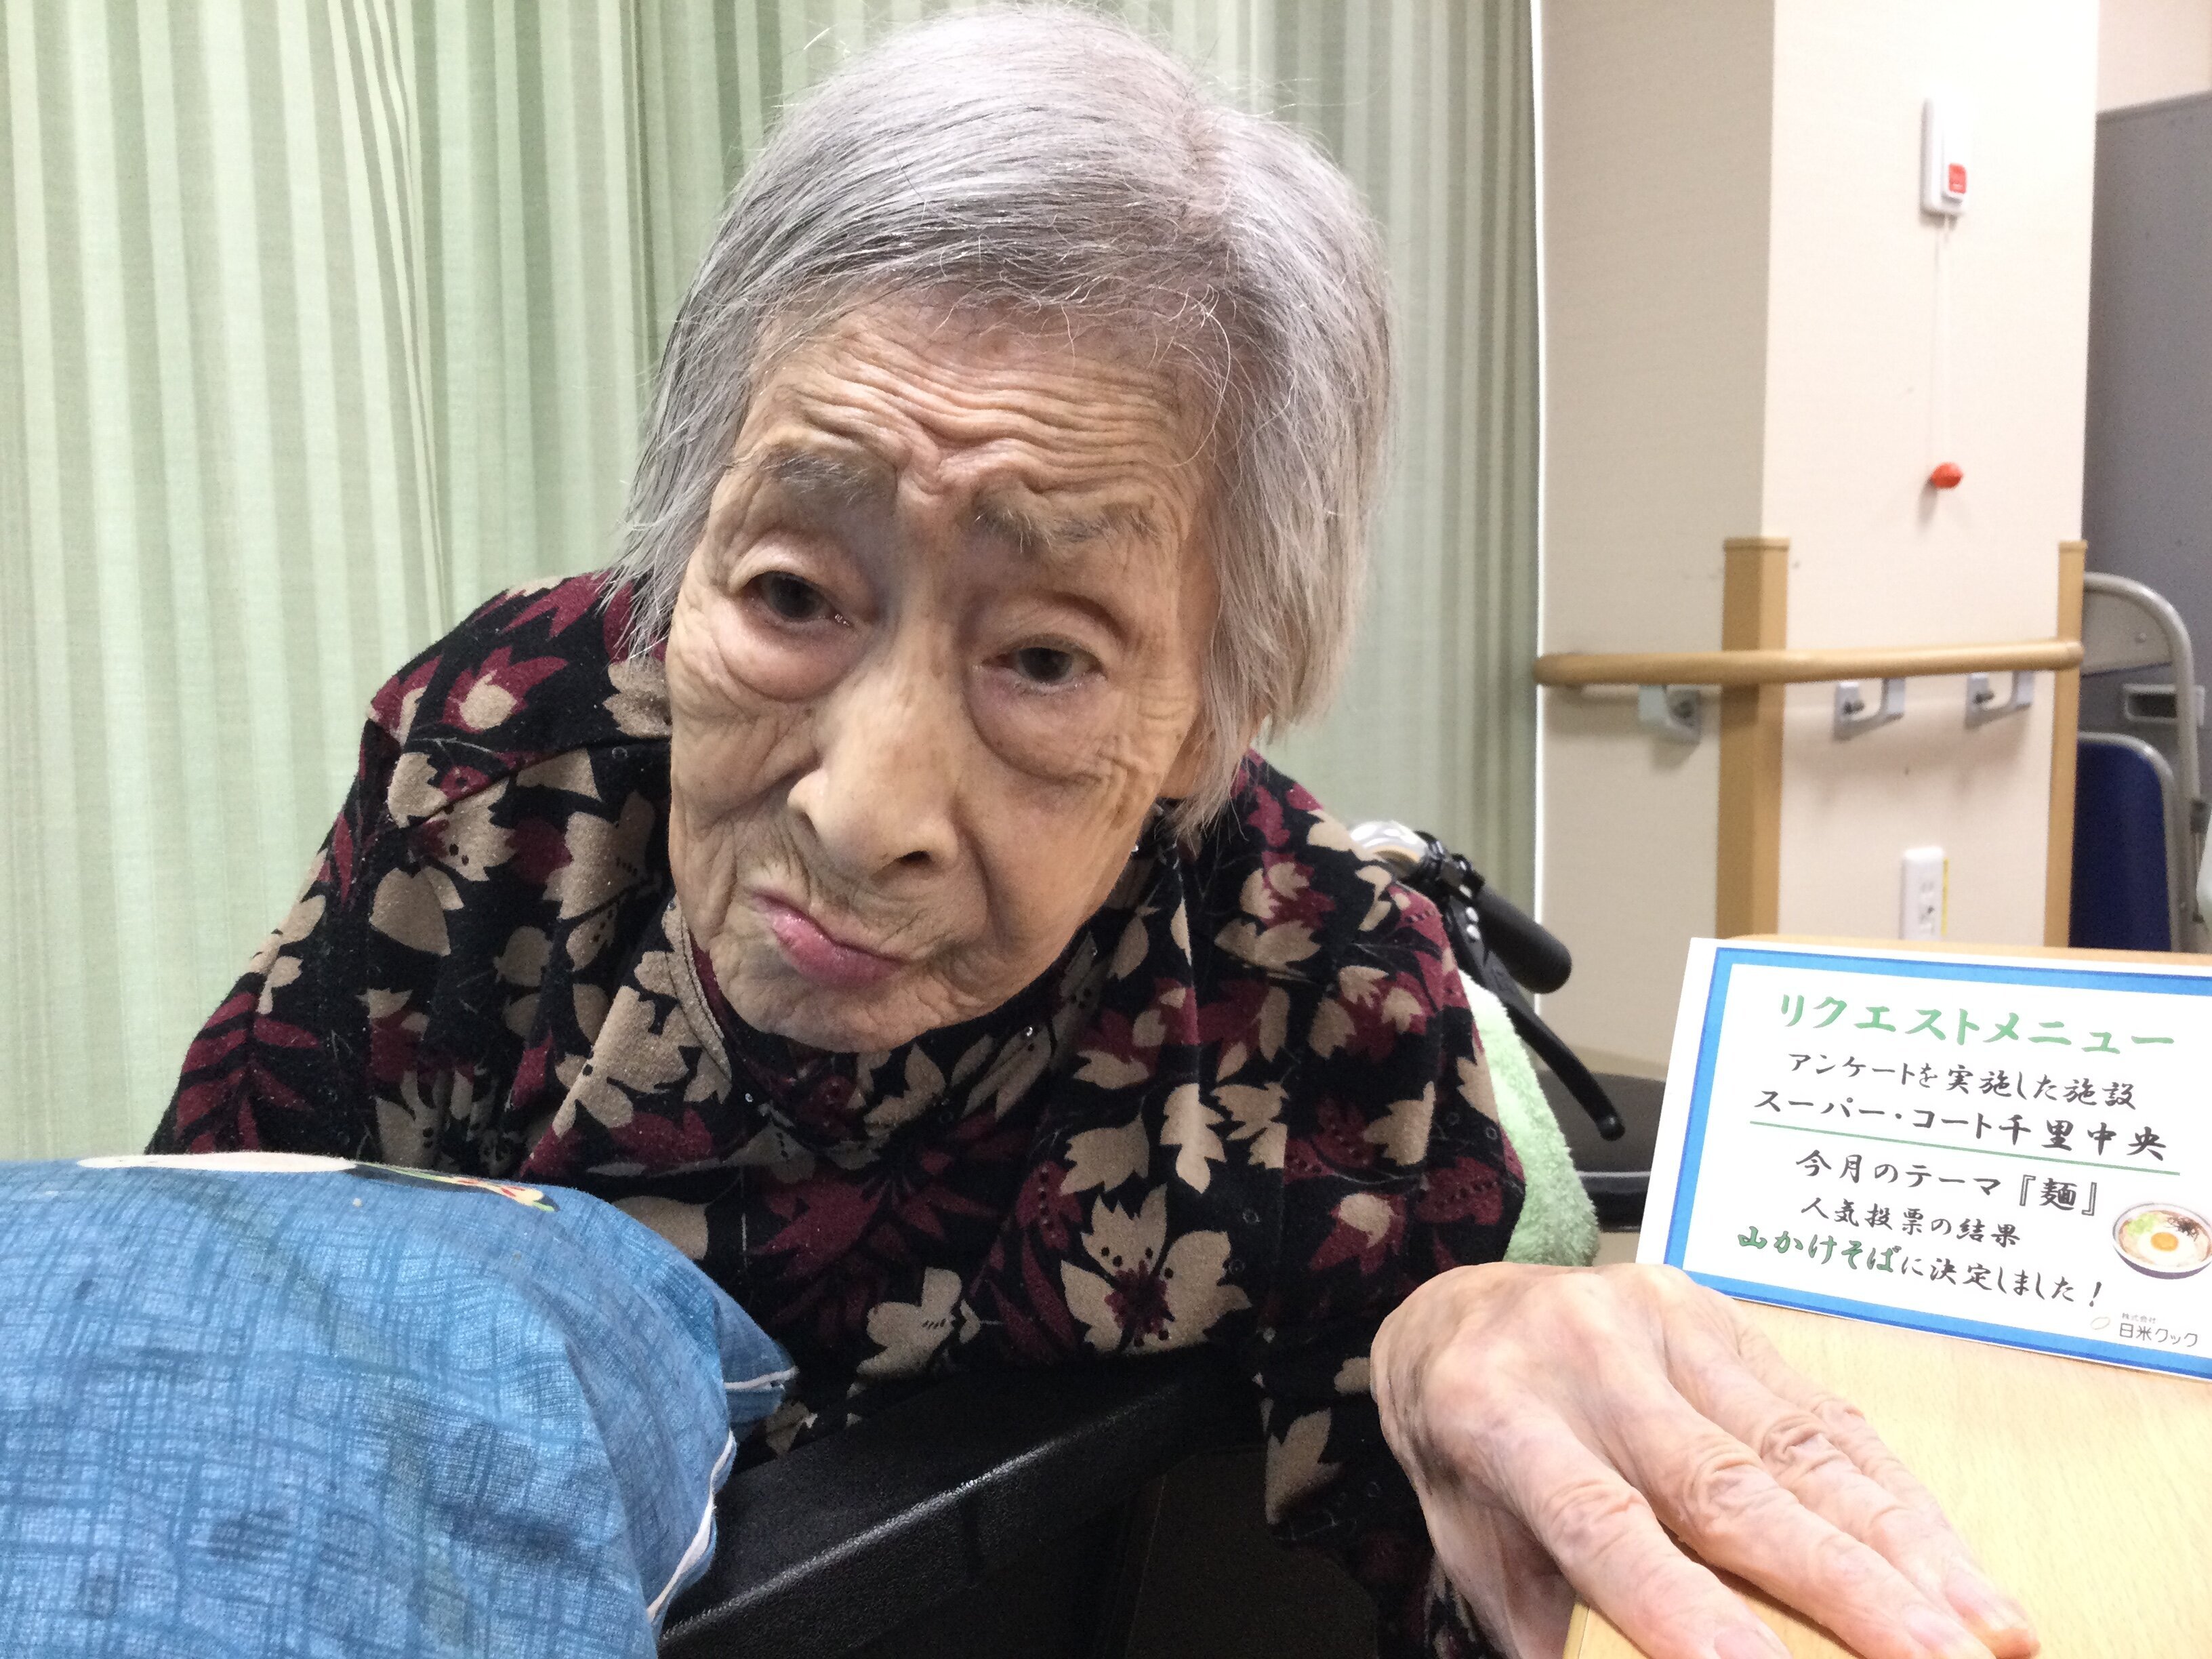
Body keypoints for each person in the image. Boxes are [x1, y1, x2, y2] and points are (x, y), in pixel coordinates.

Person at [148, 13, 2035, 1659]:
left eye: (1045, 659)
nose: (864, 812)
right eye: (792, 592)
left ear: (1212, 706)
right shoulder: (501, 756)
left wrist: (1467, 1324)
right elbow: (198, 1276)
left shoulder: (1307, 985)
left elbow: (1457, 1513)